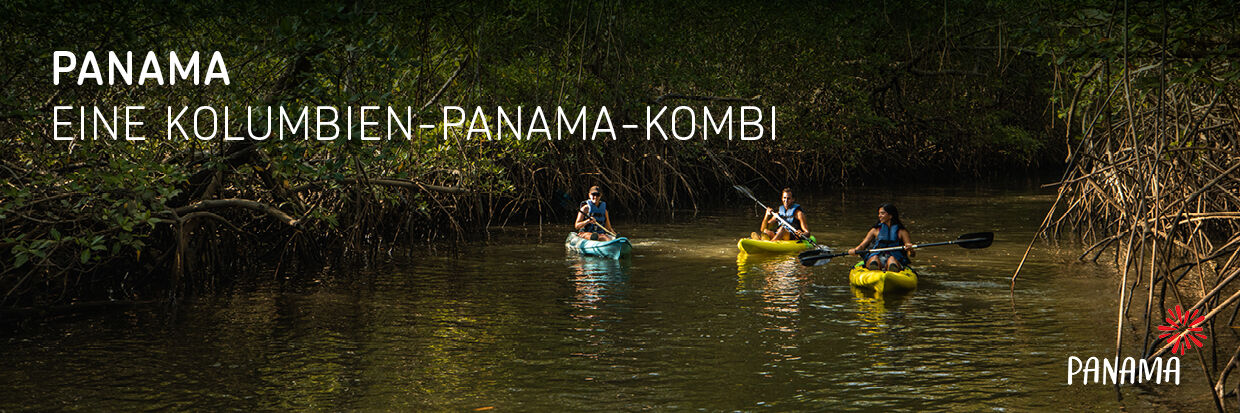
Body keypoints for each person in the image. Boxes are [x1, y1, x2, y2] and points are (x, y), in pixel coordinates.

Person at [848, 203, 914, 271]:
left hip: (895, 258)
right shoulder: (875, 230)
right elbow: (862, 245)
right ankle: (874, 269)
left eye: (882, 213)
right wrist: (855, 250)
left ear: (890, 215)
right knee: (874, 259)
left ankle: (892, 270)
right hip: (877, 256)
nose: (879, 216)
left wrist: (910, 249)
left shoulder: (902, 232)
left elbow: (911, 254)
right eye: (879, 213)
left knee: (891, 260)